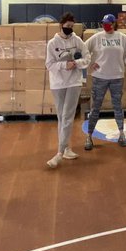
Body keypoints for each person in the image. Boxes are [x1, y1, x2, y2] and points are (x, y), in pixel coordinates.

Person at [84, 13, 126, 149]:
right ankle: (89, 137)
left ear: (114, 23)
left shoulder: (121, 37)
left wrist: (125, 61)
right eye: (103, 23)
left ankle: (121, 134)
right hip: (99, 77)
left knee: (118, 106)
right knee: (95, 107)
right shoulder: (97, 37)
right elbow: (83, 49)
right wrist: (90, 62)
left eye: (108, 23)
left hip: (117, 77)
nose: (105, 25)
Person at [46, 12, 89, 168]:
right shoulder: (52, 43)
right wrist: (65, 65)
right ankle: (66, 148)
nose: (69, 29)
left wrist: (76, 63)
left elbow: (87, 57)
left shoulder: (77, 40)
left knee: (68, 116)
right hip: (58, 84)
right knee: (61, 118)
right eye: (67, 26)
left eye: (72, 27)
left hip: (74, 83)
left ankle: (60, 151)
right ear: (61, 25)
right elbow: (49, 65)